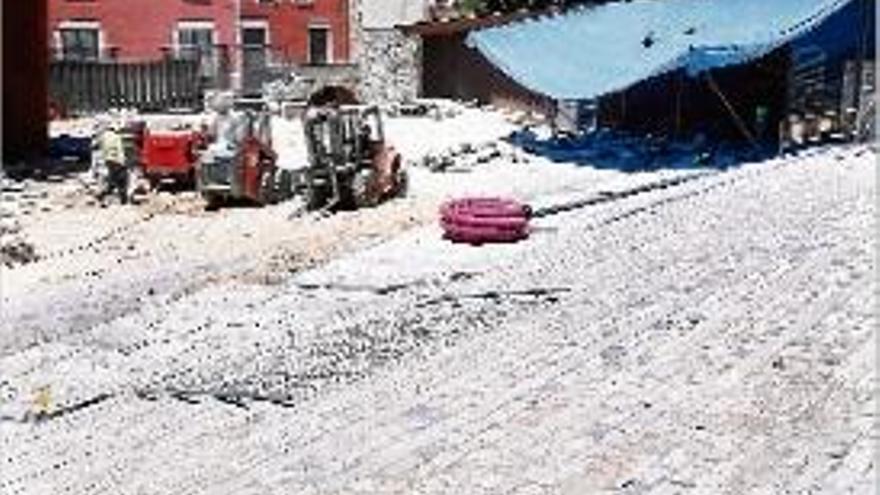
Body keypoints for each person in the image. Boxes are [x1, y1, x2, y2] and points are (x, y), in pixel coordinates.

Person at [96, 121, 130, 204]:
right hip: (117, 160)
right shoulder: (116, 137)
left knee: (113, 178)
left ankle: (104, 194)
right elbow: (120, 150)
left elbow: (98, 146)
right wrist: (123, 162)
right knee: (122, 179)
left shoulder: (103, 136)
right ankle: (123, 199)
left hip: (108, 160)